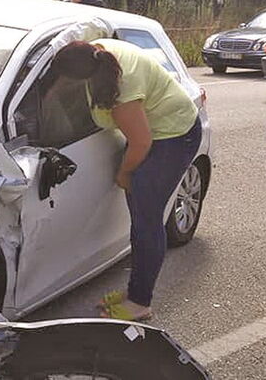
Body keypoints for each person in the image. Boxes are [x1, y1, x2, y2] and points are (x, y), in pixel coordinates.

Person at [50, 38, 201, 321]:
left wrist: (124, 173)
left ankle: (140, 303)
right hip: (154, 132)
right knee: (141, 217)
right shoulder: (97, 48)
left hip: (173, 137)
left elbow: (141, 142)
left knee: (147, 222)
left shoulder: (122, 91)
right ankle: (135, 291)